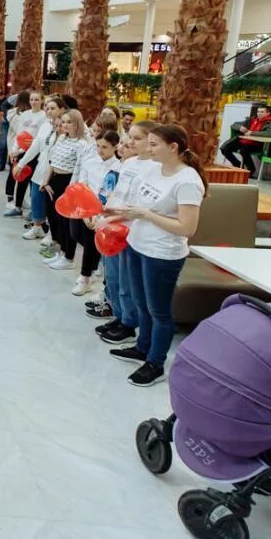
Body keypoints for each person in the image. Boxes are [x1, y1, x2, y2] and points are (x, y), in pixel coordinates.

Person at [107, 123, 206, 388]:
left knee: (159, 311)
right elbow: (137, 206)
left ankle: (156, 362)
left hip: (162, 253)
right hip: (137, 244)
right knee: (142, 304)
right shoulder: (152, 170)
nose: (146, 149)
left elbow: (187, 228)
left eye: (153, 144)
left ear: (173, 147)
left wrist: (146, 215)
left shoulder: (187, 181)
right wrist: (113, 215)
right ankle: (142, 348)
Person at [91, 120, 160, 339]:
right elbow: (118, 192)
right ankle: (118, 315)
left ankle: (129, 322)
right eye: (130, 137)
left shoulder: (154, 168)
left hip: (129, 230)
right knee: (112, 277)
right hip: (111, 226)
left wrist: (114, 218)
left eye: (137, 138)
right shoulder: (129, 163)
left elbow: (138, 205)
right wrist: (104, 214)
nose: (130, 142)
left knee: (126, 281)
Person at [41, 109, 93, 272]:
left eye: (69, 122)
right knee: (53, 218)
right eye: (63, 122)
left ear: (77, 123)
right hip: (54, 180)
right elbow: (52, 159)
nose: (64, 125)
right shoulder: (62, 138)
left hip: (68, 182)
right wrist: (46, 180)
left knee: (66, 222)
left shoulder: (82, 144)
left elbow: (80, 169)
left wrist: (69, 191)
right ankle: (61, 251)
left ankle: (68, 256)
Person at [71, 130, 121, 297]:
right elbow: (83, 184)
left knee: (90, 242)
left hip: (104, 211)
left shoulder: (118, 168)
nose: (100, 150)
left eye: (105, 147)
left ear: (115, 147)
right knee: (76, 234)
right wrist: (86, 212)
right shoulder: (90, 161)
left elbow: (110, 193)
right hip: (85, 206)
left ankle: (85, 278)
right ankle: (93, 264)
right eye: (98, 146)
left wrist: (98, 215)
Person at [12, 95, 64, 239]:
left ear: (62, 109)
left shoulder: (66, 128)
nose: (49, 111)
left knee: (51, 203)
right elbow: (35, 145)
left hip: (55, 171)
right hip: (41, 167)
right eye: (47, 108)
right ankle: (37, 227)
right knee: (36, 198)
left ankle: (52, 234)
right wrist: (21, 164)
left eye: (53, 108)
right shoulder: (46, 125)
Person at [220, 104, 271, 179]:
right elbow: (234, 124)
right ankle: (237, 165)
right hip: (242, 141)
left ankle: (251, 170)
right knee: (224, 148)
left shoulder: (270, 123)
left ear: (268, 113)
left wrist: (252, 133)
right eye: (258, 112)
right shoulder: (251, 120)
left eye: (262, 112)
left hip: (256, 144)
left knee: (244, 150)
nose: (259, 113)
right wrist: (240, 127)